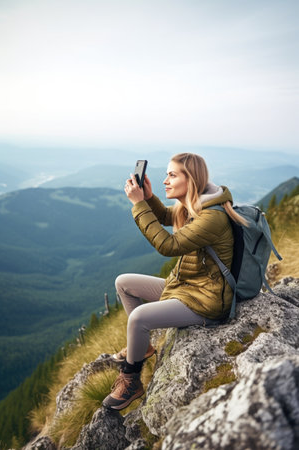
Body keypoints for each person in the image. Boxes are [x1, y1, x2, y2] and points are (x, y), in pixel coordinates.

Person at [102, 152, 245, 411]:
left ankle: (131, 379)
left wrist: (138, 205)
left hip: (206, 301)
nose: (165, 180)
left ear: (190, 179)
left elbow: (168, 245)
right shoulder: (196, 204)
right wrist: (148, 198)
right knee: (123, 282)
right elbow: (169, 217)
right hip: (185, 288)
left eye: (172, 175)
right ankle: (142, 347)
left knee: (139, 318)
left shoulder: (212, 217)